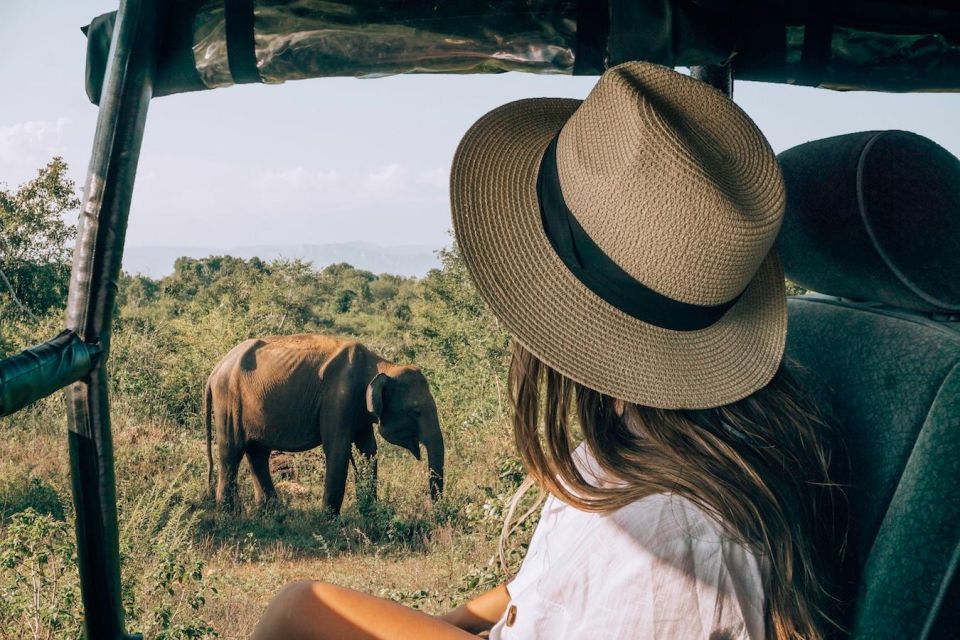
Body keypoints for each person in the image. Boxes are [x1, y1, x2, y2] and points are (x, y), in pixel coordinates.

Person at [251, 61, 847, 640]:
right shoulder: (639, 436)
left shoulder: (677, 544)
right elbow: (539, 587)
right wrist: (446, 621)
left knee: (298, 609)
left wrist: (306, 610)